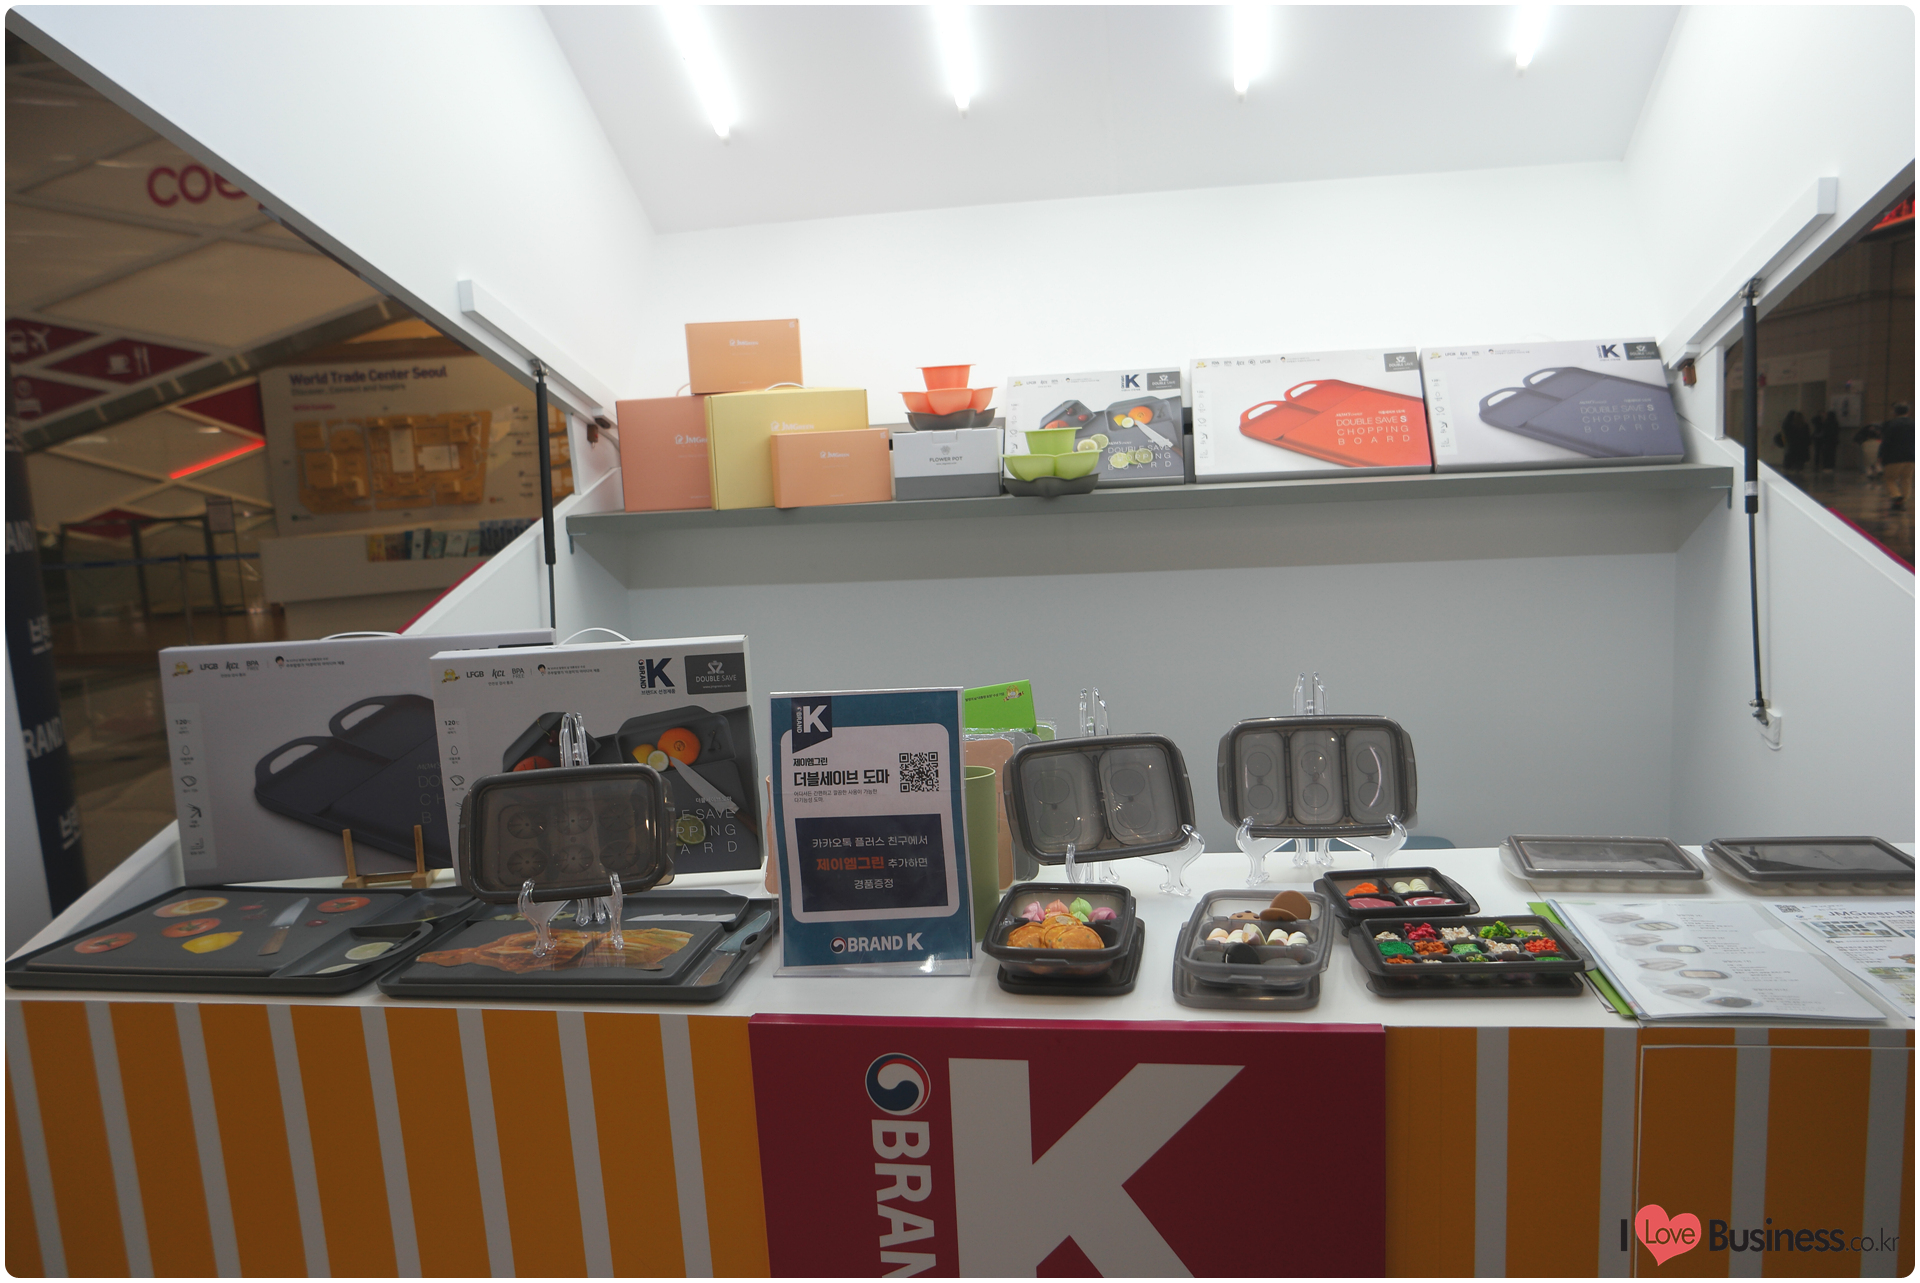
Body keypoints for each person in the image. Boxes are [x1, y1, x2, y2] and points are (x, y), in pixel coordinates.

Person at [1881, 403, 1914, 511]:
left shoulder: (1891, 424)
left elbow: (1886, 441)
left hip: (1894, 457)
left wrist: (1881, 455)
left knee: (1890, 479)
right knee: (1906, 479)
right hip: (1911, 457)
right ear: (1908, 412)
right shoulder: (1914, 424)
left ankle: (1896, 496)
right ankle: (1903, 501)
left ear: (1895, 413)